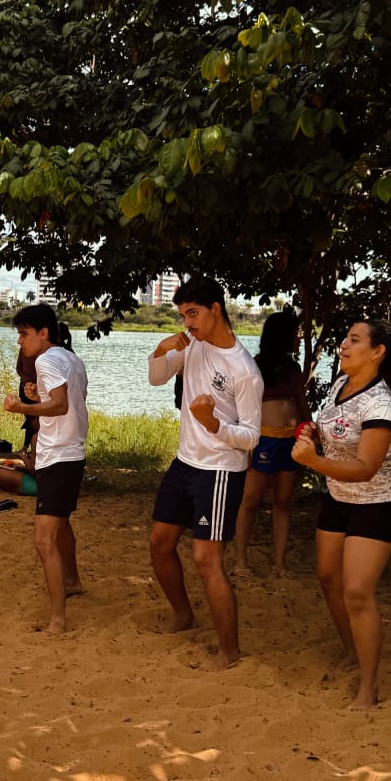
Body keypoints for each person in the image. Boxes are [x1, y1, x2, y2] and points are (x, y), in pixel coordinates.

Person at [292, 320, 391, 709]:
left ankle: (369, 686)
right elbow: (333, 429)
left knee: (357, 592)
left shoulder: (381, 404)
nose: (343, 345)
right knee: (329, 579)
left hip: (376, 506)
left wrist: (313, 461)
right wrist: (311, 434)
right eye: (344, 338)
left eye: (354, 340)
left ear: (377, 351)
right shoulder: (340, 384)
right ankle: (352, 652)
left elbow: (367, 466)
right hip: (338, 499)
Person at [146, 276, 263, 670]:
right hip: (184, 462)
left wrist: (212, 424)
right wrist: (161, 348)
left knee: (205, 559)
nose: (187, 323)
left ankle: (229, 651)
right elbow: (158, 377)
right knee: (159, 543)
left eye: (193, 313)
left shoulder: (244, 370)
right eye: (182, 315)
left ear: (216, 308)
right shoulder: (191, 344)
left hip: (220, 470)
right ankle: (183, 615)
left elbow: (250, 437)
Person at [2, 305, 89, 633]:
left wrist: (21, 406)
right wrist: (39, 396)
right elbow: (72, 401)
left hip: (59, 455)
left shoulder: (47, 359)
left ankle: (57, 618)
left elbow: (62, 404)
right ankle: (73, 580)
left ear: (44, 333)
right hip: (72, 452)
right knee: (61, 523)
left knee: (43, 540)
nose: (20, 342)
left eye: (24, 334)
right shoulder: (71, 359)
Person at [234, 308, 311, 578]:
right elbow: (243, 408)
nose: (299, 339)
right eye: (295, 334)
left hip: (289, 441)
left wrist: (309, 431)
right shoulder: (255, 365)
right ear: (283, 336)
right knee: (251, 500)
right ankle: (240, 561)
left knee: (283, 501)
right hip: (262, 439)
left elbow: (301, 402)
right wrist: (245, 445)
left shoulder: (292, 368)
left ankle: (280, 563)